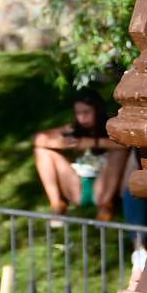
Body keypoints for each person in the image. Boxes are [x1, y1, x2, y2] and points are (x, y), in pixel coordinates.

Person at [30, 92, 132, 220]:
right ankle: (56, 204)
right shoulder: (73, 129)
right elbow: (37, 138)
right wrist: (58, 143)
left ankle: (106, 205)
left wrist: (93, 143)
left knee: (119, 151)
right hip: (77, 185)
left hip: (104, 183)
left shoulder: (111, 127)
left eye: (86, 112)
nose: (82, 118)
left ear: (97, 110)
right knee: (42, 151)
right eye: (78, 113)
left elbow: (128, 144)